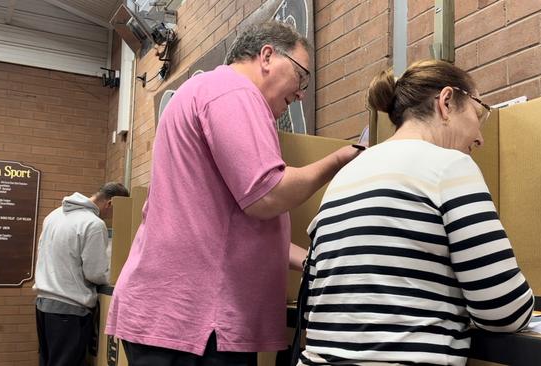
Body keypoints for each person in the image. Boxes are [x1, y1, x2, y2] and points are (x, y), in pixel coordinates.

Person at [105, 21, 361, 365]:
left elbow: (230, 224)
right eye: (301, 77)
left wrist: (312, 260)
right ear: (267, 56)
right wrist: (343, 158)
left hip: (179, 314)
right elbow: (265, 196)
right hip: (195, 321)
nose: (301, 93)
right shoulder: (234, 91)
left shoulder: (208, 91)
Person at [296, 60, 535, 365]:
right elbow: (505, 310)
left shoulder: (345, 177)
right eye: (478, 114)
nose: (480, 138)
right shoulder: (449, 166)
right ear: (446, 102)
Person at [34, 182, 130, 366]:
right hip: (69, 308)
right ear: (111, 203)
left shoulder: (54, 215)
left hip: (43, 304)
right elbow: (94, 273)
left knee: (47, 361)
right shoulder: (93, 224)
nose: (113, 218)